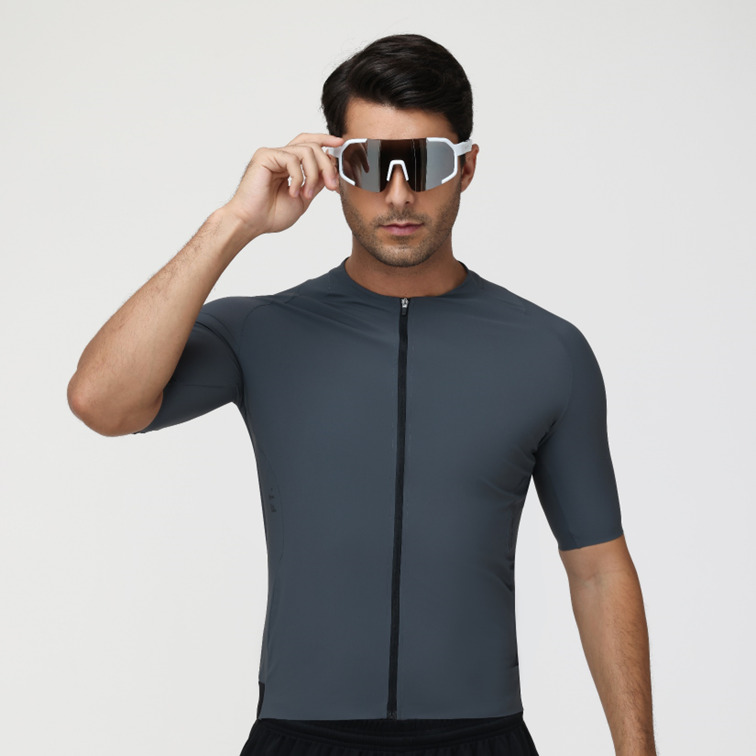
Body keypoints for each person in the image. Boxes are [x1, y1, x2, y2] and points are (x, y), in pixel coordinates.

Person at [67, 33, 657, 756]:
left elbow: (597, 570)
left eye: (426, 163)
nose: (399, 194)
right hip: (299, 739)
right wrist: (233, 224)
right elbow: (102, 402)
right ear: (334, 168)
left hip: (482, 739)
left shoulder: (548, 350)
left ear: (467, 168)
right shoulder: (261, 332)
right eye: (369, 163)